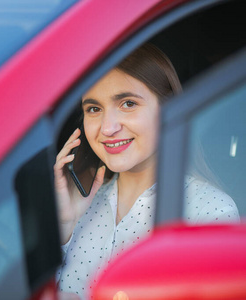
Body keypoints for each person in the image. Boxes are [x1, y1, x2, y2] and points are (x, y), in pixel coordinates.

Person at [53, 43, 239, 299]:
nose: (107, 128)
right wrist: (62, 229)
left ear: (170, 110)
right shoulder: (78, 207)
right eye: (94, 109)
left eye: (128, 103)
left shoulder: (209, 213)